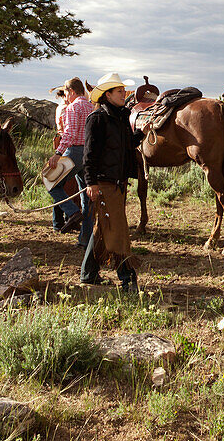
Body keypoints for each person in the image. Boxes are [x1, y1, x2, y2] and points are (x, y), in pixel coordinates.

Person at [80, 72, 144, 293]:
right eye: (119, 91)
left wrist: (141, 134)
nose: (123, 94)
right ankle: (127, 278)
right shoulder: (96, 119)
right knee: (118, 229)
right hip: (103, 183)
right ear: (107, 95)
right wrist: (91, 183)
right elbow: (89, 155)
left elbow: (126, 146)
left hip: (118, 183)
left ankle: (88, 274)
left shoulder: (121, 117)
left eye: (123, 90)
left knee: (103, 229)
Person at [45, 78, 90, 235]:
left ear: (71, 91)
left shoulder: (72, 108)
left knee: (52, 184)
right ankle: (85, 237)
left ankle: (72, 212)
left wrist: (58, 153)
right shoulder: (91, 107)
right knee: (85, 195)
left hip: (74, 152)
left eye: (65, 93)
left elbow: (69, 134)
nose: (65, 97)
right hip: (89, 154)